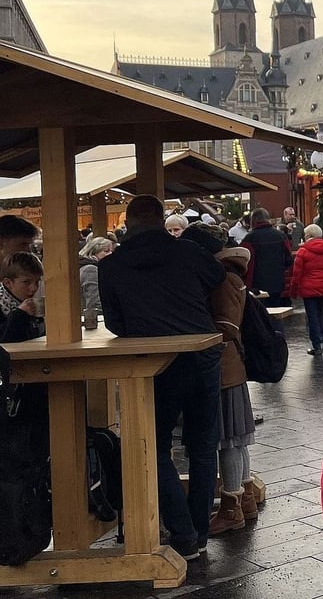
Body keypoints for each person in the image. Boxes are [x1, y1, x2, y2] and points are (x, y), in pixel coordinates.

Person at [98, 194, 225, 561]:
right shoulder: (186, 251)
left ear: (128, 221)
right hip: (201, 353)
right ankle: (199, 533)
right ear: (159, 219)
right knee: (202, 447)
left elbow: (115, 324)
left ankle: (182, 534)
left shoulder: (111, 266)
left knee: (152, 445)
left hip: (154, 363)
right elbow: (218, 276)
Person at [179, 224, 259, 535]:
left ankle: (231, 506)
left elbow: (224, 326)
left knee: (227, 440)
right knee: (236, 439)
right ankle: (245, 496)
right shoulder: (231, 273)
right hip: (232, 364)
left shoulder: (220, 278)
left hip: (222, 366)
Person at [0, 251, 49, 457]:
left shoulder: (27, 305)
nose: (33, 288)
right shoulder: (8, 308)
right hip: (11, 391)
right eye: (26, 282)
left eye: (37, 282)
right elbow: (6, 345)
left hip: (29, 384)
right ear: (8, 283)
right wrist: (19, 315)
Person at [291, 224, 323, 355]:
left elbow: (297, 273)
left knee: (312, 317)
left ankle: (316, 346)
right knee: (322, 314)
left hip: (308, 289)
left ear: (308, 236)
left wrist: (294, 291)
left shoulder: (303, 252)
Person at [241, 208, 292, 307]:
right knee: (276, 313)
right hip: (277, 283)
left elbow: (243, 261)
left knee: (260, 314)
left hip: (256, 285)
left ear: (254, 220)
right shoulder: (281, 236)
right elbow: (288, 259)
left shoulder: (249, 238)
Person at [79, 236, 115, 329]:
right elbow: (94, 301)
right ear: (93, 252)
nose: (110, 254)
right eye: (106, 251)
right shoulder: (91, 269)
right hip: (93, 321)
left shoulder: (85, 266)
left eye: (111, 251)